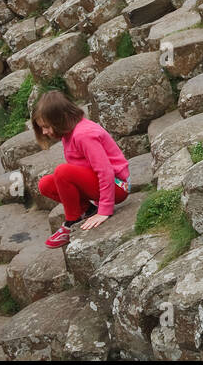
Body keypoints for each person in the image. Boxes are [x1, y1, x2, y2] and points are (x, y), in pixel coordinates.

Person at [32, 90, 131, 248]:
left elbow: (105, 171)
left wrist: (104, 210)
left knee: (63, 172)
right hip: (98, 184)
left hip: (117, 186)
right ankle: (87, 210)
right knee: (45, 184)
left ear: (61, 119)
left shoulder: (84, 135)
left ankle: (72, 221)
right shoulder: (68, 134)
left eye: (46, 126)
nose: (44, 132)